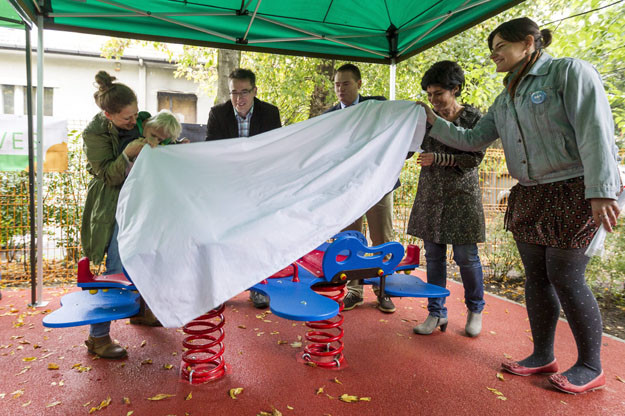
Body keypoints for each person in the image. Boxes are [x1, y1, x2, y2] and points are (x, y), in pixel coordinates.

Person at [418, 17, 620, 394]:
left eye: (500, 49)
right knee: (537, 277)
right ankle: (542, 354)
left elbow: (595, 128)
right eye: (492, 51)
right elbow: (473, 138)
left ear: (529, 43)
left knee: (566, 275)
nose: (494, 56)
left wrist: (601, 191)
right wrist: (431, 120)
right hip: (529, 192)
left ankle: (591, 365)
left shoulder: (567, 73)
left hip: (573, 187)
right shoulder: (505, 95)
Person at [81, 70, 156, 358]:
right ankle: (98, 338)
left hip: (143, 204)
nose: (133, 121)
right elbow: (108, 177)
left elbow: (161, 141)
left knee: (148, 258)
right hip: (113, 206)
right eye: (126, 117)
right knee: (115, 267)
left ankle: (141, 312)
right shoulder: (93, 133)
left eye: (135, 114)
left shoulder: (143, 120)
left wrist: (174, 146)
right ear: (108, 114)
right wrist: (128, 154)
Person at [408, 61, 485, 337]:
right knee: (434, 258)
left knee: (467, 257)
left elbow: (474, 157)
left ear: (455, 89)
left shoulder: (473, 119)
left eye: (438, 93)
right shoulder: (424, 119)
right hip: (431, 197)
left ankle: (475, 310)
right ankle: (436, 312)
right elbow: (409, 146)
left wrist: (438, 158)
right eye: (429, 95)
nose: (433, 100)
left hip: (462, 198)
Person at [206, 68, 281, 309]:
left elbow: (276, 150)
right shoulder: (218, 113)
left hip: (259, 188)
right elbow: (212, 150)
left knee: (257, 238)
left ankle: (257, 288)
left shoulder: (270, 113)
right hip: (228, 188)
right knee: (224, 238)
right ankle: (221, 290)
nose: (239, 98)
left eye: (244, 92)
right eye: (234, 92)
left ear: (255, 91)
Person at [324, 63, 396, 314]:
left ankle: (384, 290)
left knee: (381, 239)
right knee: (349, 241)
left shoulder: (377, 107)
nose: (340, 89)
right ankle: (354, 291)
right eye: (336, 84)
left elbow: (398, 131)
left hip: (378, 184)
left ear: (359, 84)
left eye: (345, 83)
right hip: (347, 190)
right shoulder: (328, 116)